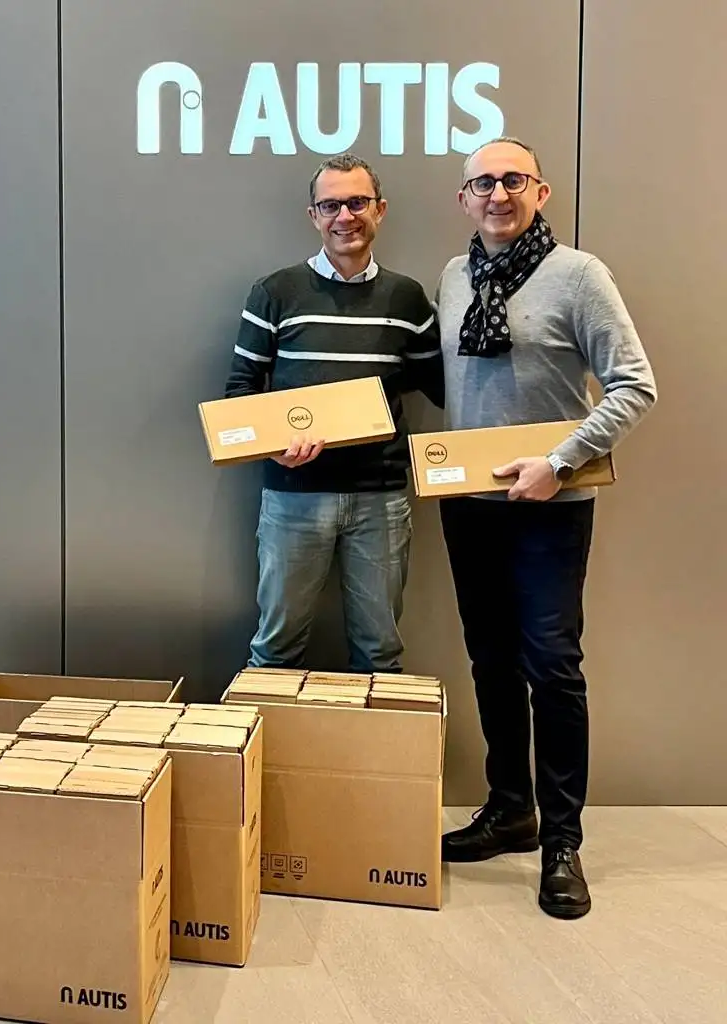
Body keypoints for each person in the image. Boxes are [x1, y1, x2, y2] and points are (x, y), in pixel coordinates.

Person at [436, 137, 657, 919]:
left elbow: (635, 385)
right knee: (490, 663)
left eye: (512, 180)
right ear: (464, 199)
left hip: (549, 512)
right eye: (482, 183)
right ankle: (511, 810)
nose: (497, 194)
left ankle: (563, 842)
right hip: (469, 507)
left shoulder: (580, 275)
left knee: (553, 670)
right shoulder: (455, 276)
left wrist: (560, 462)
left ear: (542, 191)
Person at [224, 153, 443, 673]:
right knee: (274, 651)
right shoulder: (275, 292)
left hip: (380, 499)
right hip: (293, 495)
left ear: (380, 209)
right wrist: (274, 445)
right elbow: (240, 392)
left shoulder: (408, 299)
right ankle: (268, 733)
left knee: (381, 655)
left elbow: (439, 386)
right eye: (331, 205)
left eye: (357, 203)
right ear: (314, 216)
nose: (345, 216)